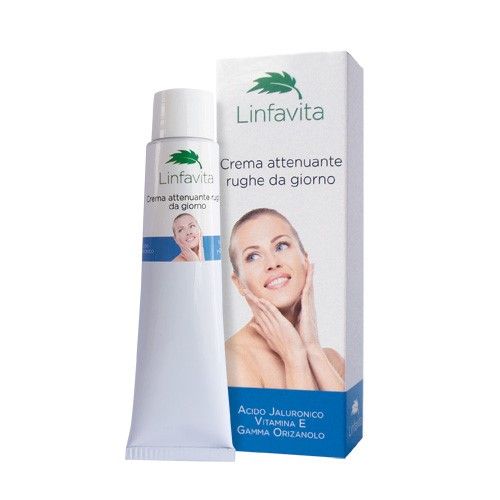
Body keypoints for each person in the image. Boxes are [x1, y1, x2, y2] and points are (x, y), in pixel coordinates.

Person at [225, 208, 344, 391]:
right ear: (239, 282)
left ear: (305, 259)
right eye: (253, 256)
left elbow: (340, 412)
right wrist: (294, 359)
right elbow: (305, 412)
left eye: (281, 246)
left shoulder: (331, 361)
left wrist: (311, 348)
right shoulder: (233, 361)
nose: (272, 263)